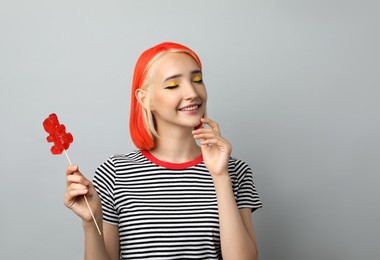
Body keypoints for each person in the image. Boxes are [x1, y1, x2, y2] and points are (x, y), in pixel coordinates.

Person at [64, 42, 262, 260]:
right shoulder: (115, 172)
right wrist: (91, 223)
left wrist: (220, 176)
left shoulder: (235, 171)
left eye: (197, 80)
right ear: (144, 99)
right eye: (173, 85)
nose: (192, 92)